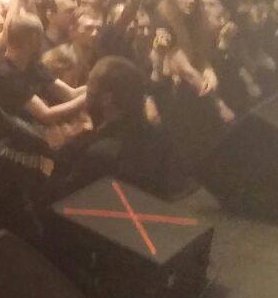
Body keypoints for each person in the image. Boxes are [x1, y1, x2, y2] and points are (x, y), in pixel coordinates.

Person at [52, 56, 185, 199]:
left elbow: (56, 202)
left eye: (89, 84)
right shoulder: (161, 140)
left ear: (107, 98)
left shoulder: (98, 154)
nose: (86, 92)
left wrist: (61, 151)